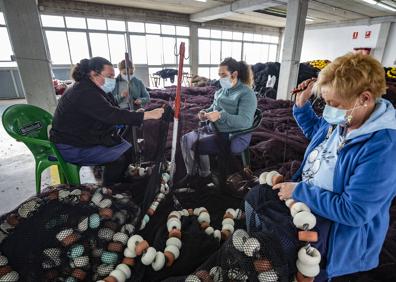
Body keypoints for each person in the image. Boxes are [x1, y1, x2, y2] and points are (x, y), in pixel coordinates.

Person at [245, 52, 396, 280]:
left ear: (364, 98)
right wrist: (302, 105)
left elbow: (354, 212)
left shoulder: (382, 149)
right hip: (308, 203)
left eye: (333, 104)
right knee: (258, 197)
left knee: (292, 256)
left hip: (337, 231)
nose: (328, 110)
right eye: (325, 103)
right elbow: (319, 134)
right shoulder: (346, 117)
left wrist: (299, 191)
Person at [50, 57, 164, 186]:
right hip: (71, 145)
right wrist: (146, 115)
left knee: (127, 149)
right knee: (118, 159)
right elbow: (110, 114)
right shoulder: (83, 92)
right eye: (109, 76)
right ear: (93, 74)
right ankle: (109, 189)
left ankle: (119, 179)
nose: (112, 80)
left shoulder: (98, 90)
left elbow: (112, 110)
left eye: (113, 76)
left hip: (85, 135)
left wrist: (134, 115)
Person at [176, 57, 257, 188]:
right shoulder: (221, 92)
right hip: (214, 128)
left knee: (196, 144)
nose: (221, 79)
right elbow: (213, 108)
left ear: (234, 74)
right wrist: (204, 112)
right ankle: (192, 173)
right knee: (185, 139)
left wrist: (220, 116)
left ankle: (204, 175)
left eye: (224, 75)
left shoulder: (246, 94)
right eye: (219, 75)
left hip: (232, 133)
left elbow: (245, 122)